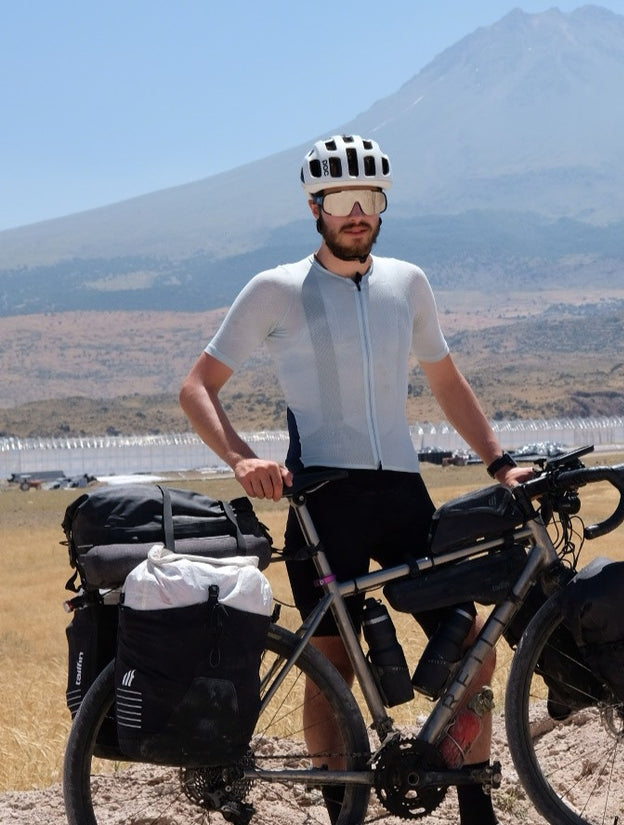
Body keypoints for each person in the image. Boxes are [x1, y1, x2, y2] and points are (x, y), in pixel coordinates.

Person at [179, 134, 528, 825]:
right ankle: (343, 802)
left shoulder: (409, 283)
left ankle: (474, 794)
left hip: (403, 497)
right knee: (329, 666)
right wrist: (242, 459)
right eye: (341, 199)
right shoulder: (277, 289)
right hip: (323, 503)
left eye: (369, 197)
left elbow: (448, 382)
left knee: (473, 648)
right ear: (315, 206)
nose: (357, 211)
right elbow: (197, 387)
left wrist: (499, 460)